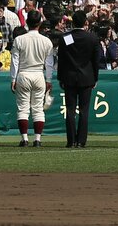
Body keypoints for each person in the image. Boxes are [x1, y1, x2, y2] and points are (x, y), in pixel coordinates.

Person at [54, 9, 102, 149]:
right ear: (85, 22)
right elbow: (96, 60)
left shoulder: (66, 38)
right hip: (87, 78)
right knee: (84, 110)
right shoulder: (92, 38)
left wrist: (60, 77)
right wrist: (95, 78)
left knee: (70, 109)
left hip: (69, 77)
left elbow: (61, 59)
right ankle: (81, 140)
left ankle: (71, 140)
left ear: (73, 22)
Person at [9, 9, 53, 147]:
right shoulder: (46, 41)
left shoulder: (19, 39)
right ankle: (38, 139)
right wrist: (49, 80)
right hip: (39, 75)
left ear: (27, 22)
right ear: (40, 23)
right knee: (38, 108)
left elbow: (14, 61)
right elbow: (49, 64)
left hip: (23, 74)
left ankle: (24, 138)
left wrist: (13, 79)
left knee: (23, 108)